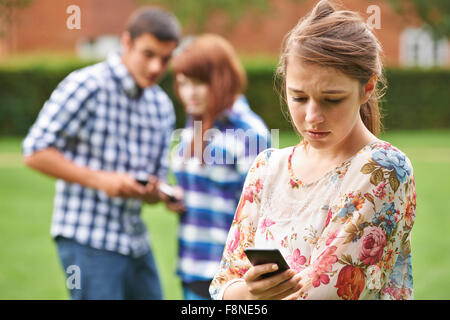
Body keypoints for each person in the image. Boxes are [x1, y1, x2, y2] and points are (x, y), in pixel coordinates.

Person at [209, 0, 416, 300]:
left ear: (367, 87)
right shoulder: (267, 167)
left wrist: (253, 296)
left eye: (331, 99)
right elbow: (220, 287)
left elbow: (327, 294)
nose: (312, 116)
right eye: (299, 97)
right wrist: (252, 292)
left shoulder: (383, 169)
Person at [22, 7, 181, 300]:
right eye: (148, 54)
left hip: (135, 241)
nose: (157, 67)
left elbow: (154, 178)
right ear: (126, 43)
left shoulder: (161, 105)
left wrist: (156, 193)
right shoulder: (87, 85)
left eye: (166, 58)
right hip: (87, 239)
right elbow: (34, 151)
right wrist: (100, 180)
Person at [163, 34, 271, 300]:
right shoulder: (196, 120)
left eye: (199, 83)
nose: (189, 93)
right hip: (192, 266)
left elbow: (263, 209)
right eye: (183, 83)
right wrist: (176, 196)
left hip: (231, 276)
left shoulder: (248, 132)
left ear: (222, 79)